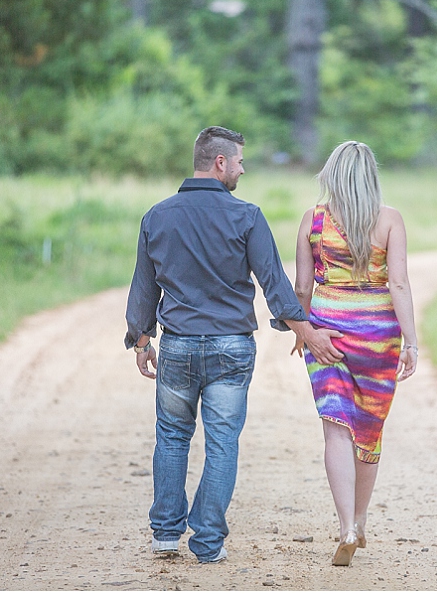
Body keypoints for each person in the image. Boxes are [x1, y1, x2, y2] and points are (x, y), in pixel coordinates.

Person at [124, 126, 343, 564]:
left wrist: (142, 340)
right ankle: (207, 542)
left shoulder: (157, 216)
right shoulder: (247, 216)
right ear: (219, 162)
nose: (243, 169)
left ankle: (165, 534)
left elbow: (144, 288)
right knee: (222, 441)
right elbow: (275, 285)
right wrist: (308, 334)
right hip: (230, 348)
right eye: (239, 161)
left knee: (171, 437)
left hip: (180, 346)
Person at [291, 141, 418, 567]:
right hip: (379, 338)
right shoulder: (390, 221)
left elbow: (303, 288)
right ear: (370, 176)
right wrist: (411, 341)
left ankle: (345, 524)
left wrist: (304, 332)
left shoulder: (314, 219)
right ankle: (360, 522)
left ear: (332, 174)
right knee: (368, 429)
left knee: (335, 427)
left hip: (329, 334)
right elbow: (398, 284)